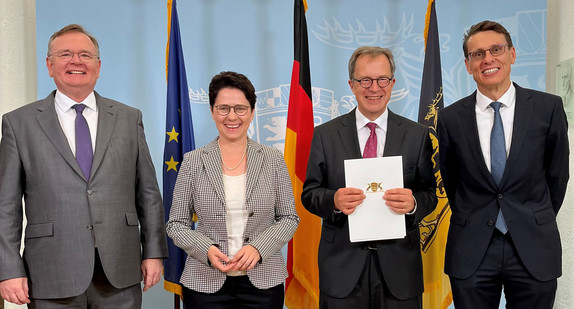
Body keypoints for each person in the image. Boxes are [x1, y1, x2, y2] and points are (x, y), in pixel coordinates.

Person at [0, 24, 168, 308]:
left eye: (85, 55)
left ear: (98, 66)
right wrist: (8, 269)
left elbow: (148, 194)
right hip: (51, 272)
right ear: (49, 65)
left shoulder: (128, 118)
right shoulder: (19, 124)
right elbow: (6, 206)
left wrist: (153, 252)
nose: (76, 61)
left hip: (120, 272)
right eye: (65, 54)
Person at [437, 20, 569, 309]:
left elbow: (557, 178)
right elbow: (452, 181)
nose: (488, 59)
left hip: (533, 247)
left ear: (512, 54)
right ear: (468, 64)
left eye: (496, 49)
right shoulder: (449, 119)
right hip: (472, 250)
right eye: (478, 54)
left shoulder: (548, 108)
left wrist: (530, 216)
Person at [301, 46, 437, 308]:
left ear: (392, 83)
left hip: (399, 270)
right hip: (342, 268)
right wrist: (334, 201)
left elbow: (430, 194)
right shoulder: (325, 135)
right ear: (352, 85)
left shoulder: (416, 135)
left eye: (382, 79)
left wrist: (414, 204)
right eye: (365, 80)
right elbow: (310, 194)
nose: (374, 88)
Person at [166, 71, 299, 308]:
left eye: (240, 108)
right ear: (212, 111)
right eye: (223, 108)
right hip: (205, 284)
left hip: (264, 283)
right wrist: (205, 249)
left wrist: (259, 248)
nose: (232, 116)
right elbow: (176, 224)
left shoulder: (273, 159)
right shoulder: (193, 161)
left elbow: (289, 217)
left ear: (252, 112)